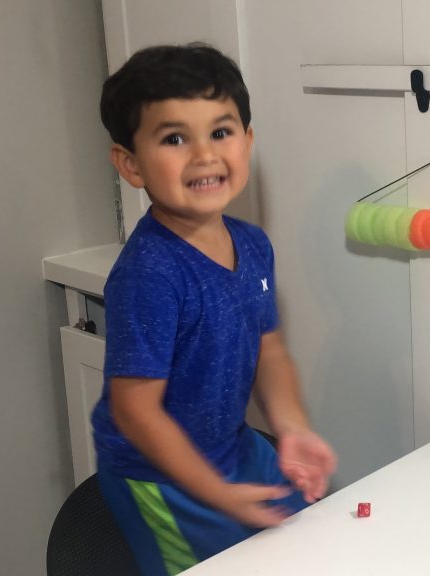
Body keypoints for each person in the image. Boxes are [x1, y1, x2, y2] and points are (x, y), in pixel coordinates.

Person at [90, 43, 336, 576]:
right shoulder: (150, 275)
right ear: (131, 164)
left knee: (312, 540)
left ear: (248, 141)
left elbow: (270, 351)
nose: (204, 155)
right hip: (163, 477)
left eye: (220, 132)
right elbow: (136, 411)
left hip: (231, 446)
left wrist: (293, 427)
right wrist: (215, 492)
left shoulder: (252, 245)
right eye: (175, 138)